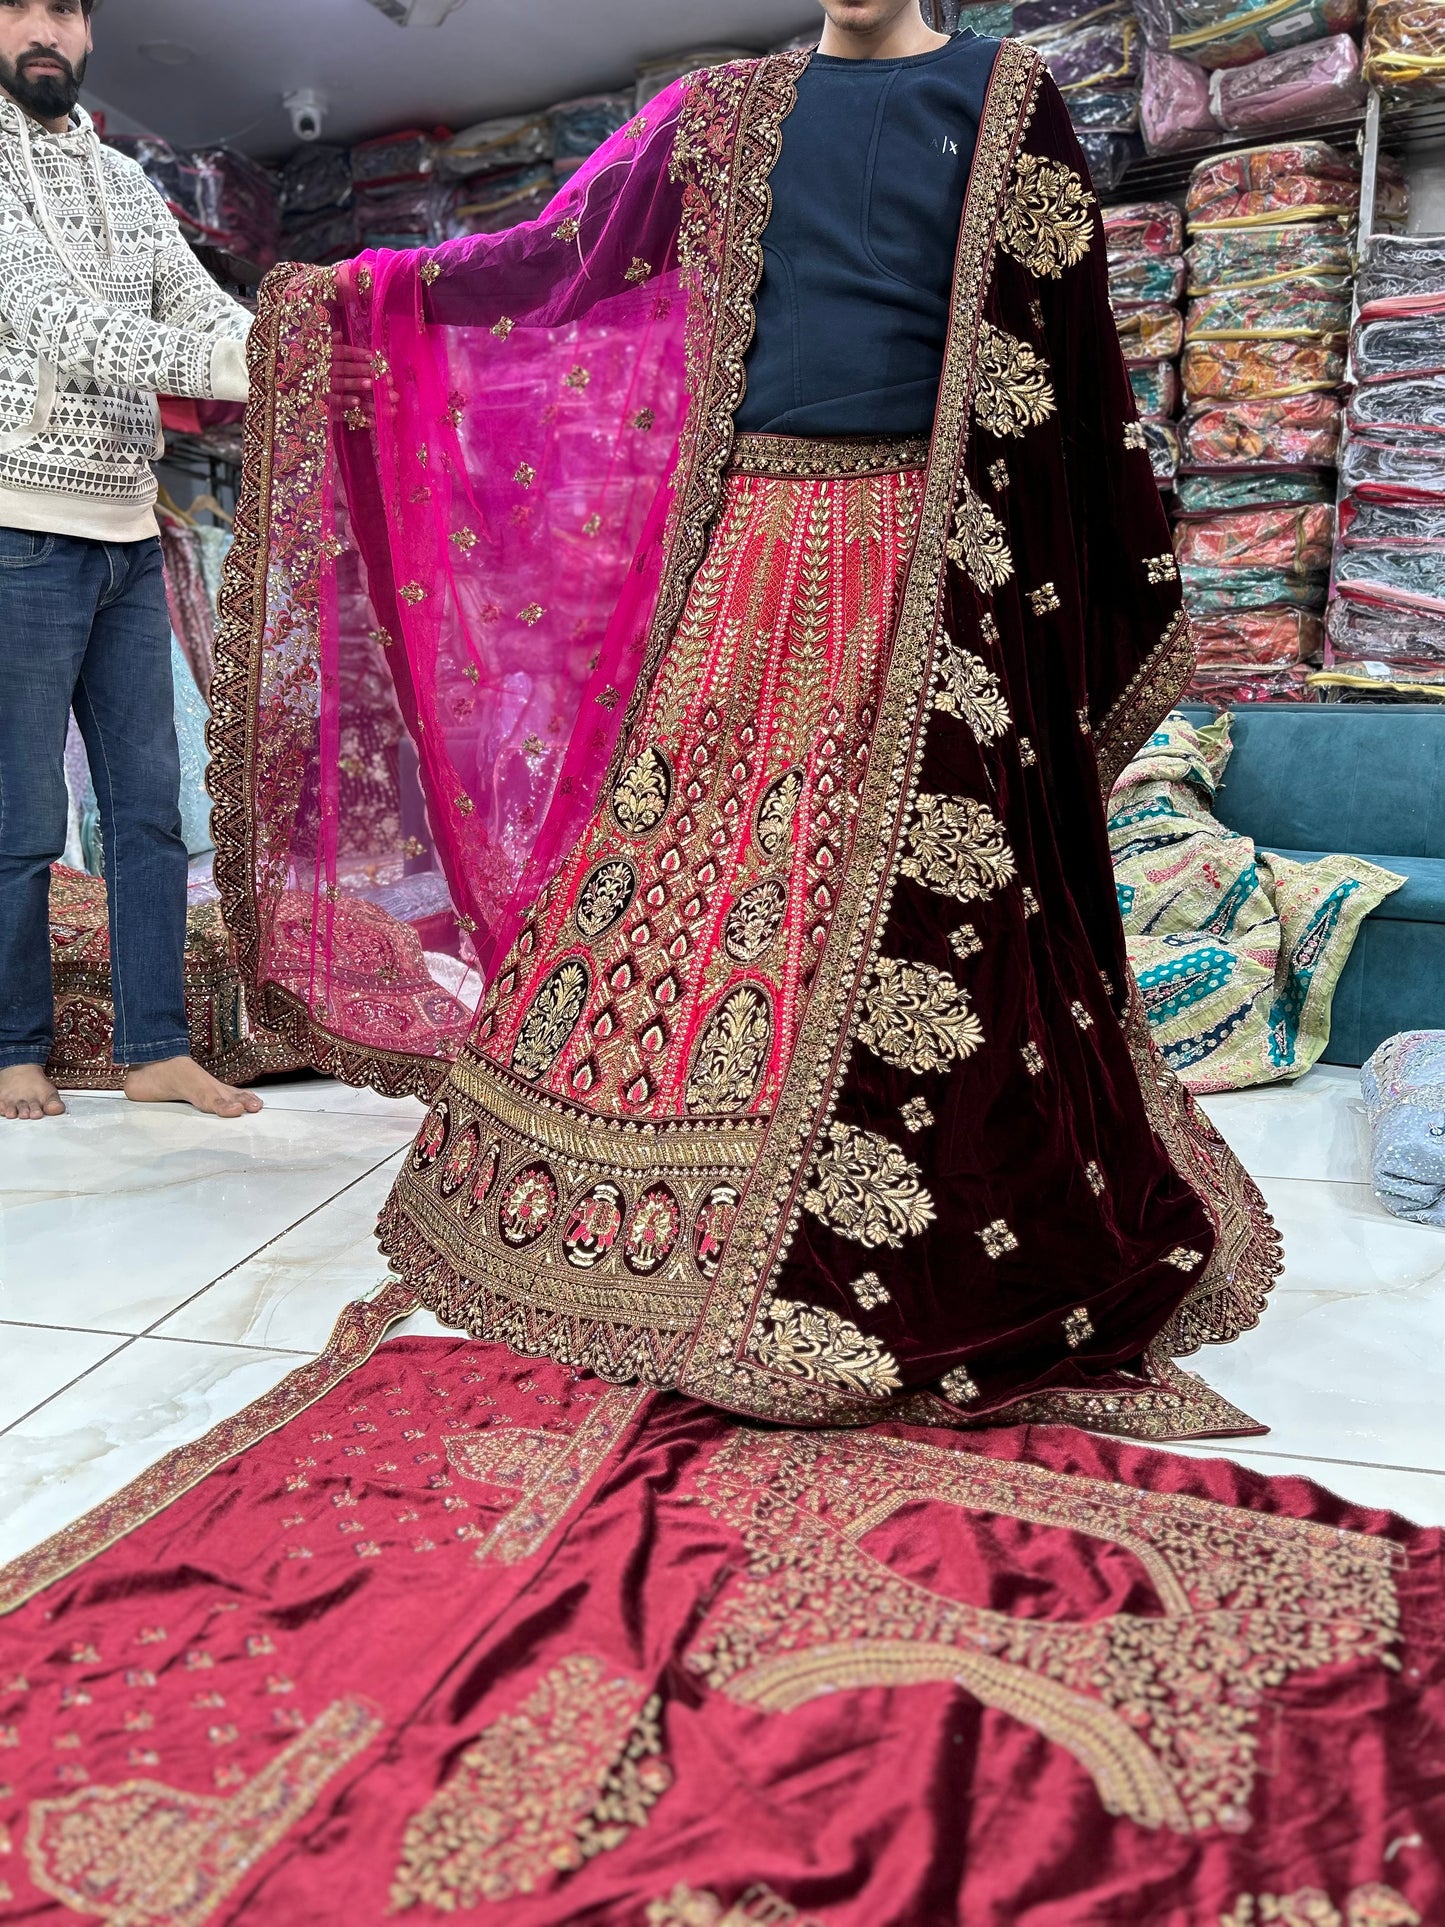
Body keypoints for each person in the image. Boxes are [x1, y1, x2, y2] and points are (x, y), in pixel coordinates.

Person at [212, 1, 1281, 1435]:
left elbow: (1068, 363)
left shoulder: (1004, 92)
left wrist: (1040, 592)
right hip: (755, 544)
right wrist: (348, 298)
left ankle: (870, 1225)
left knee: (903, 909)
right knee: (687, 882)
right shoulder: (721, 112)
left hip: (931, 563)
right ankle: (660, 1218)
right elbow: (550, 260)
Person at [0, 0, 263, 1121]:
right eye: (18, 4)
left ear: (91, 31)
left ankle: (157, 1044)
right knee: (20, 817)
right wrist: (220, 359)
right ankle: (15, 1049)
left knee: (149, 802)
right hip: (18, 526)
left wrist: (284, 334)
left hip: (128, 527)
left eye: (63, 7)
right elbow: (50, 315)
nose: (41, 27)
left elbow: (193, 299)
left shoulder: (118, 180)